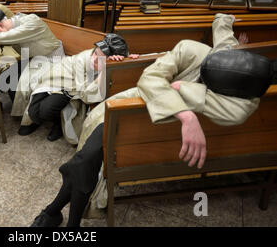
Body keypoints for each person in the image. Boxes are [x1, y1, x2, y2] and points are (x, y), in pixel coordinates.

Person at [30, 14, 265, 227]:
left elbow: (237, 111)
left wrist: (183, 88)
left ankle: (55, 214)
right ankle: (65, 221)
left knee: (84, 162)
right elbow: (150, 78)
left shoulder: (243, 99)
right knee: (84, 160)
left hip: (155, 137)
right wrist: (188, 115)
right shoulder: (196, 50)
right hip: (135, 112)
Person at [16, 34, 138, 143]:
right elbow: (86, 94)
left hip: (73, 89)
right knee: (34, 110)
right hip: (62, 76)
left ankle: (58, 123)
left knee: (46, 109)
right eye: (95, 52)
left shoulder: (115, 59)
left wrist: (126, 62)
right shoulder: (83, 59)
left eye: (101, 59)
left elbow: (86, 96)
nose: (94, 59)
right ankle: (42, 119)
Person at [0, 8, 66, 103]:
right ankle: (19, 108)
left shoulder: (31, 22)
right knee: (8, 74)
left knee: (13, 76)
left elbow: (1, 37)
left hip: (52, 60)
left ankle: (25, 108)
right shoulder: (11, 24)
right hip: (34, 59)